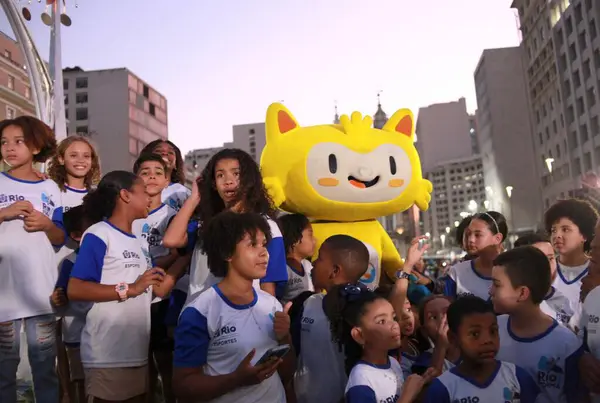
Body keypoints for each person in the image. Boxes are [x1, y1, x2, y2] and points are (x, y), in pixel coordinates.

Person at [67, 171, 176, 402]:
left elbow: (151, 290)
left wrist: (182, 258)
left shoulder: (137, 241)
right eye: (144, 192)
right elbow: (75, 288)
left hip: (136, 353)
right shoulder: (98, 234)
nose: (150, 198)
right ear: (125, 195)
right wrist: (130, 288)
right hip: (106, 355)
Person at [172, 211, 295, 402]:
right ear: (227, 253)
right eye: (253, 245)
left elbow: (287, 374)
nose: (264, 253)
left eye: (264, 244)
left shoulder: (271, 304)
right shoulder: (200, 311)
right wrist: (236, 379)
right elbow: (182, 387)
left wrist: (285, 337)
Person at [164, 148, 287, 299]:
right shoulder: (203, 224)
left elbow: (268, 286)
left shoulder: (267, 226)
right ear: (214, 183)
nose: (228, 181)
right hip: (199, 315)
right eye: (220, 175)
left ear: (249, 179)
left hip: (244, 316)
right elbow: (171, 240)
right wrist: (195, 198)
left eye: (236, 174)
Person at [0, 116, 65, 403]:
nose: (9, 148)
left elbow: (60, 237)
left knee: (44, 368)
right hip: (3, 294)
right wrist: (5, 212)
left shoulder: (50, 187)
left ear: (37, 147)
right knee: (4, 370)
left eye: (18, 141)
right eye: (4, 142)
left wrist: (46, 224)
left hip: (41, 292)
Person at [490, 246, 585, 403]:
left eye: (497, 285)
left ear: (522, 293)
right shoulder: (492, 330)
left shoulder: (567, 344)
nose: (490, 290)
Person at [131, 153, 189, 403]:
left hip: (162, 297)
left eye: (158, 172)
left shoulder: (172, 216)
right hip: (134, 296)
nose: (151, 176)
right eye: (145, 172)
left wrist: (153, 267)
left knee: (165, 358)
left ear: (167, 181)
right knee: (141, 360)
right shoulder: (128, 213)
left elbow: (178, 253)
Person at [291, 235, 369, 403]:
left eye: (320, 258)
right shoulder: (306, 303)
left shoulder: (364, 307)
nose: (313, 263)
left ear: (335, 271)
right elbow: (294, 354)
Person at [423, 296, 539, 403]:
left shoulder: (517, 377)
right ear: (453, 339)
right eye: (475, 334)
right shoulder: (443, 388)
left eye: (493, 331)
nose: (487, 340)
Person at [323, 287, 427, 403]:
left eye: (393, 318)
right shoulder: (361, 380)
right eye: (382, 321)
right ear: (359, 335)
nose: (394, 325)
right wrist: (407, 396)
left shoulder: (393, 363)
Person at [50, 205, 92, 403]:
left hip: (103, 334)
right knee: (81, 381)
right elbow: (60, 294)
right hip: (76, 334)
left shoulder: (109, 258)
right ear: (76, 235)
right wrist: (60, 296)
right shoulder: (69, 262)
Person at [544, 198, 598, 331]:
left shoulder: (596, 271)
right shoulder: (544, 270)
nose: (557, 235)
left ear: (584, 235)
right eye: (553, 230)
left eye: (565, 229)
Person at [441, 211, 507, 299]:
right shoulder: (456, 273)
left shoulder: (515, 271)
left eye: (478, 235)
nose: (470, 239)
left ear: (497, 238)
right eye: (468, 234)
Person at [514, 233, 573, 327]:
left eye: (550, 258)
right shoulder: (513, 305)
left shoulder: (570, 298)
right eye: (538, 260)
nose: (547, 266)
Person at [140, 140, 190, 212]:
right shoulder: (133, 192)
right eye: (158, 151)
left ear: (176, 164)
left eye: (170, 152)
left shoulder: (182, 191)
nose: (165, 153)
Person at [277, 213, 316, 301]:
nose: (315, 240)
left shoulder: (308, 265)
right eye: (310, 235)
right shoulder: (283, 269)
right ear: (295, 239)